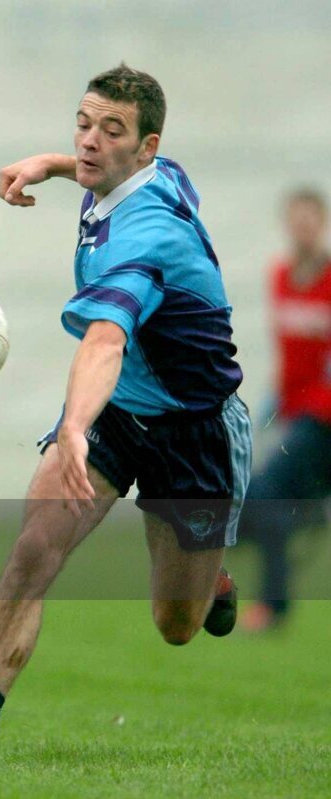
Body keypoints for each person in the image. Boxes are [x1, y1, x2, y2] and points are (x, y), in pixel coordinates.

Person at [0, 64, 252, 766]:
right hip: (119, 415)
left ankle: (209, 576)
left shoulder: (145, 233)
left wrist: (70, 424)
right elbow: (92, 166)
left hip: (196, 433)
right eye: (83, 124)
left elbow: (106, 340)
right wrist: (48, 164)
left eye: (111, 131)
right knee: (34, 547)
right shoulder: (148, 172)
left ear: (146, 146)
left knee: (177, 623)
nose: (89, 143)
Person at [237, 188, 331, 632]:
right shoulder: (279, 275)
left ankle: (273, 605)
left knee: (268, 492)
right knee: (250, 495)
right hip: (294, 411)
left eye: (311, 219)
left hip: (323, 417)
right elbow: (291, 360)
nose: (303, 227)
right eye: (296, 219)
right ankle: (307, 513)